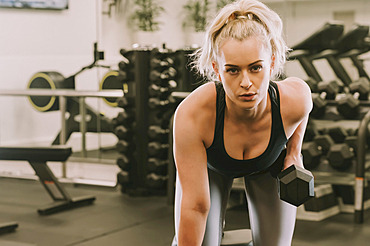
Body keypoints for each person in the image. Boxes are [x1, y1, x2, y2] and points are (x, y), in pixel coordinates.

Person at [171, 0, 312, 245]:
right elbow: (196, 207)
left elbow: (305, 103)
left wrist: (294, 152)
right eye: (233, 70)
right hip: (211, 167)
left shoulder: (294, 100)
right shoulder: (193, 114)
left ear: (271, 63)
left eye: (255, 68)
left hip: (268, 166)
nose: (246, 82)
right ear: (217, 69)